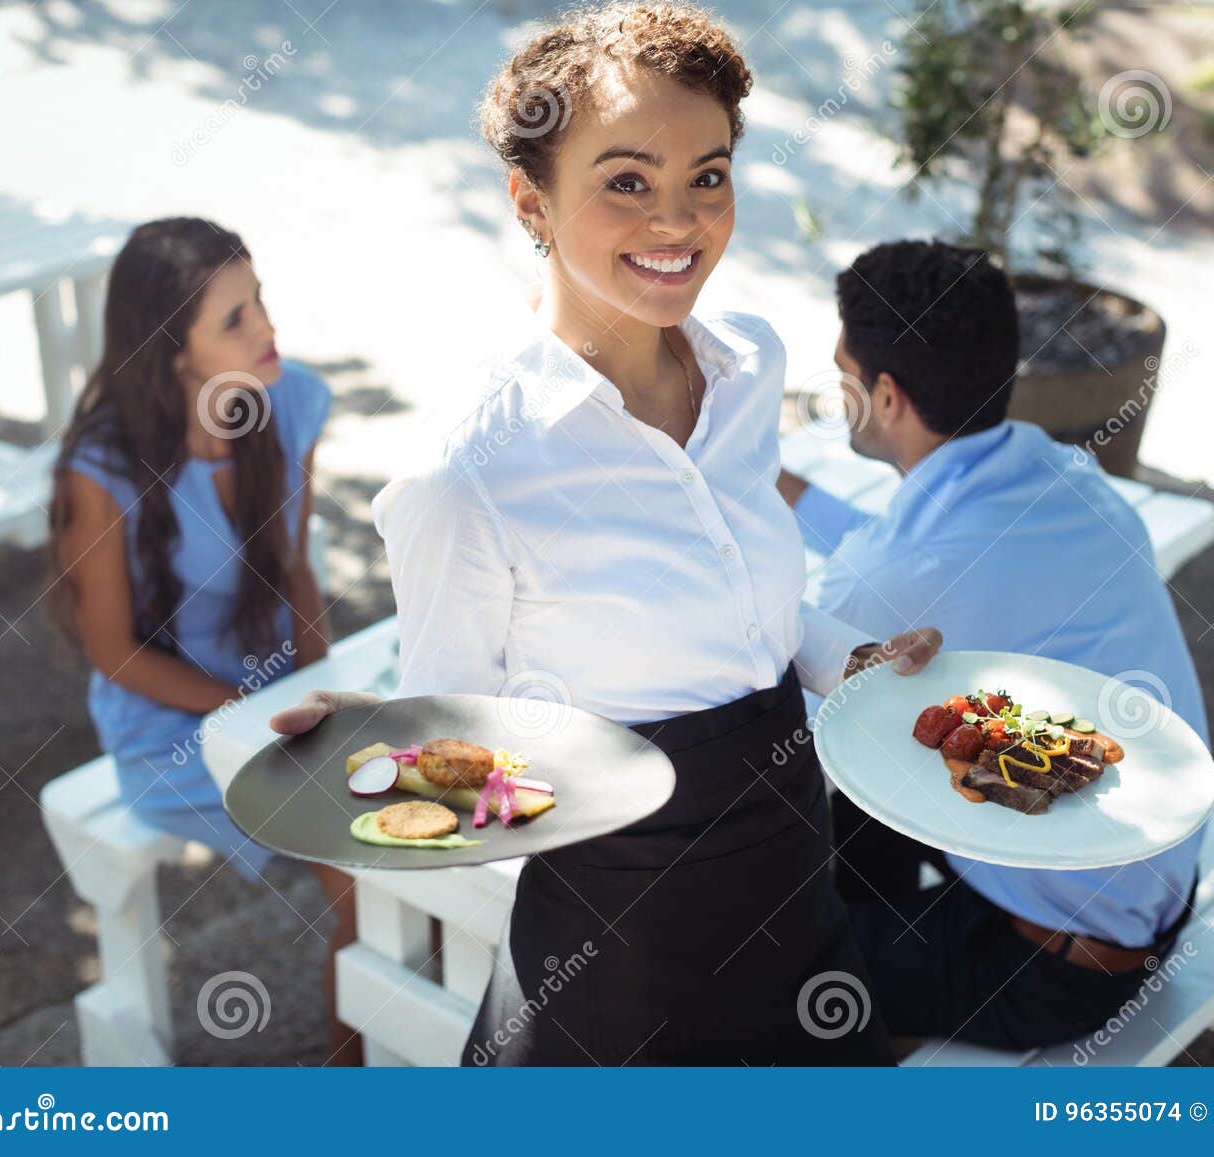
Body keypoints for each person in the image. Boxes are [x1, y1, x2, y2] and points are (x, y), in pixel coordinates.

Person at [268, 2, 942, 1065]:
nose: (676, 221)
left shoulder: (749, 365)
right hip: (621, 961)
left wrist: (844, 655)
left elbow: (738, 600)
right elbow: (461, 740)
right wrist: (379, 733)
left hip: (797, 892)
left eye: (706, 176)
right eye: (626, 180)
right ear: (529, 201)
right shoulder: (470, 475)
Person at [777, 239, 1209, 1050]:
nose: (834, 392)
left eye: (842, 373)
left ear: (889, 396)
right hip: (1141, 893)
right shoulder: (1068, 478)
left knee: (746, 958)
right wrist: (768, 483)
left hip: (1054, 971)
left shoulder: (902, 574)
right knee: (901, 763)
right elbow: (903, 551)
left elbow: (779, 692)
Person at [47, 218, 361, 1064]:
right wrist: (248, 716)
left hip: (273, 697)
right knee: (368, 874)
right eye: (234, 319)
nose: (266, 329)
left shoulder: (288, 400)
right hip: (170, 723)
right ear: (171, 349)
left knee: (405, 831)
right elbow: (113, 651)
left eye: (259, 302)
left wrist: (319, 693)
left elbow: (293, 567)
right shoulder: (101, 470)